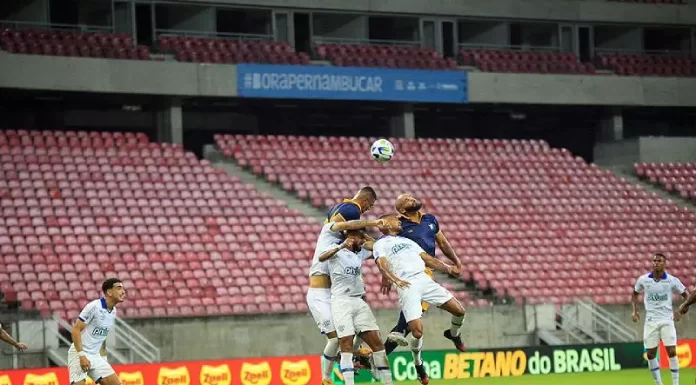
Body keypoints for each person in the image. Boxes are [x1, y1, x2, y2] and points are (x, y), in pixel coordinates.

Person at [373, 215, 467, 385]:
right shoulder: (380, 243)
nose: (399, 222)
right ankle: (418, 363)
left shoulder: (407, 241)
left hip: (424, 279)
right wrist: (393, 279)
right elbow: (382, 264)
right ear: (386, 224)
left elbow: (428, 259)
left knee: (459, 311)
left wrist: (449, 269)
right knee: (416, 331)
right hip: (407, 285)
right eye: (395, 220)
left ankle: (452, 334)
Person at [306, 187, 379, 385]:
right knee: (336, 338)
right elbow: (350, 229)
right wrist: (375, 223)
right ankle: (326, 377)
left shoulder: (344, 233)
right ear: (367, 201)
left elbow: (370, 245)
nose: (367, 210)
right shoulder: (351, 211)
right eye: (370, 206)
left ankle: (353, 357)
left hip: (335, 293)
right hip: (320, 293)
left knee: (351, 332)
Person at [383, 194, 465, 355]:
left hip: (426, 274)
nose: (412, 199)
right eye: (407, 199)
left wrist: (456, 261)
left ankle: (453, 334)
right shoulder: (399, 227)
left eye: (411, 197)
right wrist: (385, 276)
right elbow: (386, 249)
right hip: (411, 274)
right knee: (409, 325)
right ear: (402, 210)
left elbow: (442, 242)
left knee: (457, 312)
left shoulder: (430, 219)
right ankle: (378, 357)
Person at [318, 230, 402, 385]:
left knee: (376, 343)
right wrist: (342, 245)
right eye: (360, 238)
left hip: (359, 301)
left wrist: (367, 239)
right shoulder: (336, 251)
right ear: (350, 238)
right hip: (341, 301)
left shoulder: (359, 253)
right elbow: (321, 257)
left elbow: (377, 247)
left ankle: (388, 383)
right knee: (346, 344)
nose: (363, 241)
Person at [632, 253, 689, 385]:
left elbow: (686, 295)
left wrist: (681, 310)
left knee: (672, 351)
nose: (656, 263)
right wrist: (635, 311)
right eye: (654, 261)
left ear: (664, 263)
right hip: (651, 321)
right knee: (650, 355)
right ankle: (659, 383)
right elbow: (635, 293)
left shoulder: (671, 280)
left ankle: (675, 383)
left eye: (659, 261)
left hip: (667, 320)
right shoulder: (644, 280)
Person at [68, 278, 126, 385]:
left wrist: (103, 358)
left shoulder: (113, 311)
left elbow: (102, 337)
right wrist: (81, 356)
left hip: (95, 355)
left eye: (123, 288)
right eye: (119, 288)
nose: (123, 291)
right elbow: (75, 330)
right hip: (79, 353)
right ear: (109, 292)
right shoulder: (94, 307)